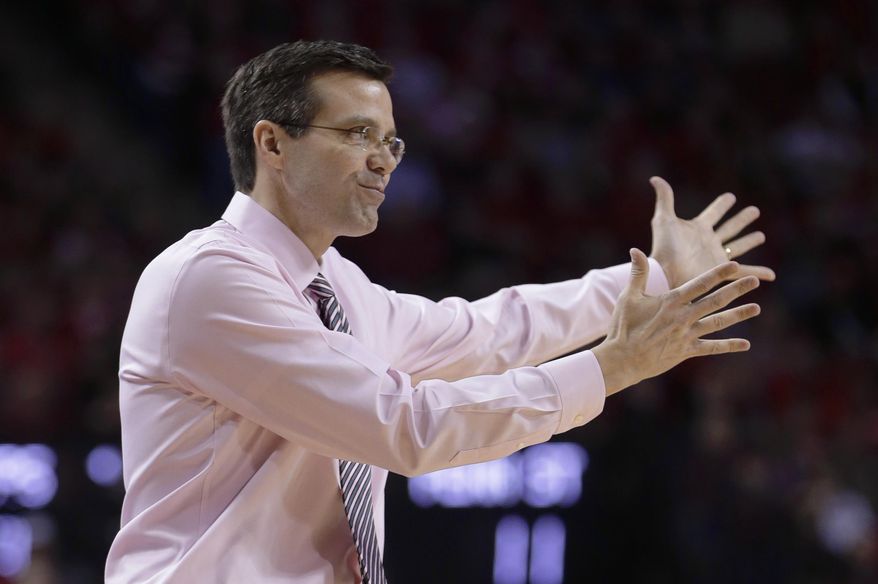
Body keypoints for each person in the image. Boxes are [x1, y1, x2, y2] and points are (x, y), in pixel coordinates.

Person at [105, 40, 774, 583]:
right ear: (273, 145)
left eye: (392, 142)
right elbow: (405, 428)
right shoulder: (211, 280)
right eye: (357, 134)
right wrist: (610, 368)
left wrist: (652, 279)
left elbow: (488, 331)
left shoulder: (336, 285)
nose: (382, 162)